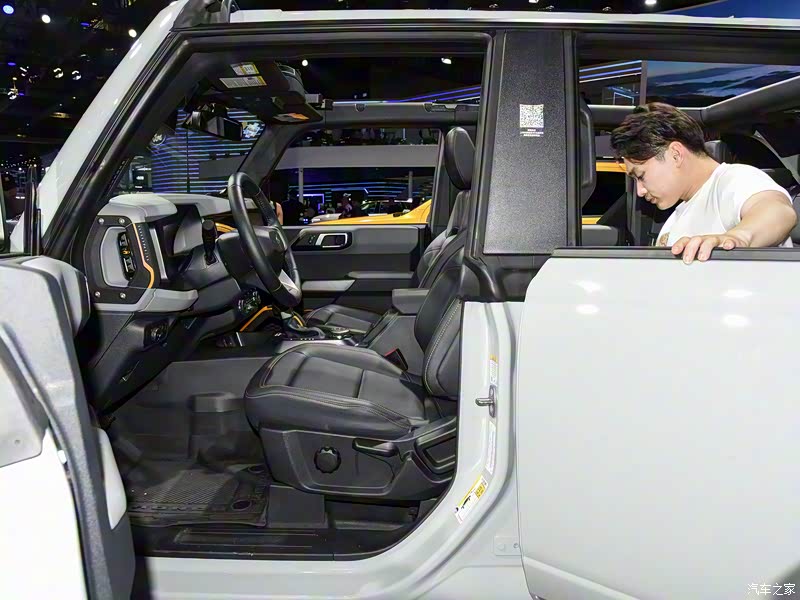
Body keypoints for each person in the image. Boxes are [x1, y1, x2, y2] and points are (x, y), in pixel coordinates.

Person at [610, 102, 797, 264]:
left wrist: (737, 238)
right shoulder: (676, 218)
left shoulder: (735, 179)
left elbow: (778, 212)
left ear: (675, 155)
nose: (640, 191)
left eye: (641, 176)